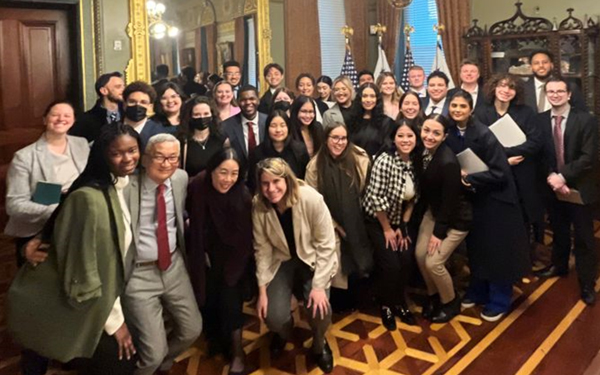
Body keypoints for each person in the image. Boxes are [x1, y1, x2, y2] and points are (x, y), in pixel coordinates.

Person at [8, 123, 142, 375]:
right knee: (120, 363)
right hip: (84, 300)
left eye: (132, 150)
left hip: (98, 297)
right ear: (102, 156)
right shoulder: (89, 198)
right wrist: (115, 323)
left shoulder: (117, 184)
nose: (127, 158)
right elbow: (86, 268)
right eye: (117, 153)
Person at [445, 90, 530, 322]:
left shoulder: (484, 134)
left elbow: (500, 173)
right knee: (478, 248)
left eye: (462, 106)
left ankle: (499, 300)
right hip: (476, 201)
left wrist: (470, 179)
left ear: (470, 109)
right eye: (453, 106)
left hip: (497, 201)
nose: (457, 110)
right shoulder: (450, 131)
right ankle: (478, 290)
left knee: (497, 252)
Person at [121, 133, 202, 375]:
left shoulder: (180, 178)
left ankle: (161, 365)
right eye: (159, 157)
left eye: (173, 158)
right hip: (138, 273)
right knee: (152, 353)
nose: (167, 163)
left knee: (192, 330)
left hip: (173, 266)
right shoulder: (126, 187)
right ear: (145, 159)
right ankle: (151, 366)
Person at [253, 158, 337, 374]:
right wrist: (262, 291)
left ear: (287, 180)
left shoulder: (310, 198)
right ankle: (282, 332)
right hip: (281, 261)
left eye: (276, 181)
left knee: (320, 310)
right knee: (273, 316)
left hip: (311, 259)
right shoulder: (258, 205)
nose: (271, 189)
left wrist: (319, 286)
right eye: (265, 183)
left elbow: (327, 245)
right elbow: (262, 250)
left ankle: (319, 345)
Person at [186, 148, 253, 374]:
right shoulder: (198, 185)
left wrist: (232, 273)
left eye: (234, 174)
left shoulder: (242, 196)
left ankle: (237, 353)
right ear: (211, 169)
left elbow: (245, 241)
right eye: (223, 172)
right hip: (203, 253)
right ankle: (215, 340)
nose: (228, 179)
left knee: (230, 303)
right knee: (208, 298)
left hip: (233, 258)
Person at [535, 77, 598, 306]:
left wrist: (563, 176)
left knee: (583, 238)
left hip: (579, 188)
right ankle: (559, 266)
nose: (555, 95)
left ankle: (587, 283)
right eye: (550, 92)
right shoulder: (541, 120)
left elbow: (589, 157)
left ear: (569, 94)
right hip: (552, 188)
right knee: (559, 231)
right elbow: (540, 154)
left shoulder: (587, 120)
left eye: (559, 91)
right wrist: (553, 177)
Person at [5, 101, 90, 267]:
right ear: (45, 119)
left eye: (67, 115)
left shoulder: (82, 144)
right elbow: (14, 205)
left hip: (77, 226)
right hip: (39, 229)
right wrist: (58, 211)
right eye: (55, 115)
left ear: (73, 121)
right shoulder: (24, 157)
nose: (60, 119)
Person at [305, 122, 373, 311]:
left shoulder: (359, 158)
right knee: (335, 255)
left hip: (357, 218)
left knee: (359, 250)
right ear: (326, 140)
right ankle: (340, 300)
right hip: (328, 221)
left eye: (343, 138)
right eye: (334, 138)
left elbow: (365, 190)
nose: (339, 142)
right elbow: (313, 201)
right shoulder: (315, 165)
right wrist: (335, 225)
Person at [362, 119, 421, 329]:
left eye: (410, 136)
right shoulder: (384, 160)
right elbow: (376, 199)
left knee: (406, 259)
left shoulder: (416, 160)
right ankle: (386, 304)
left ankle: (399, 301)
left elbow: (413, 198)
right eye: (401, 136)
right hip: (377, 220)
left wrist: (402, 227)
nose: (405, 140)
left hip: (399, 220)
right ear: (393, 138)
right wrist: (388, 229)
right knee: (391, 264)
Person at [475, 74, 544, 249]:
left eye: (511, 87)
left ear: (517, 92)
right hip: (494, 173)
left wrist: (506, 153)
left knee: (523, 218)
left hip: (522, 173)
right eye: (502, 86)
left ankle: (525, 257)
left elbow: (535, 142)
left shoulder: (526, 112)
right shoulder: (481, 112)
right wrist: (504, 159)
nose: (506, 91)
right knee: (496, 217)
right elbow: (477, 143)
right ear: (493, 87)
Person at [415, 114, 471, 323]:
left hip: (455, 219)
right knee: (420, 255)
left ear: (445, 136)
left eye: (436, 133)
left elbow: (450, 202)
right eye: (426, 131)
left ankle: (450, 301)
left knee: (434, 263)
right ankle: (433, 295)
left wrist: (438, 234)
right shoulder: (423, 151)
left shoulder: (448, 162)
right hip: (434, 211)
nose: (429, 136)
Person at [247, 109, 309, 192]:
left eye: (282, 125)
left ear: (288, 128)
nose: (278, 130)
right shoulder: (257, 153)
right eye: (273, 125)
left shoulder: (300, 150)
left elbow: (305, 180)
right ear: (267, 128)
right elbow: (253, 183)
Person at [523, 49, 587, 113]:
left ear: (551, 65)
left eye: (545, 62)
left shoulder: (570, 87)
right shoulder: (522, 89)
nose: (541, 66)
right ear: (531, 67)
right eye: (536, 63)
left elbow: (581, 115)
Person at [221, 85, 267, 172]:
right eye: (243, 100)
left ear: (258, 100)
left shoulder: (268, 122)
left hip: (265, 174)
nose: (248, 102)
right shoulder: (226, 126)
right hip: (238, 175)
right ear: (238, 102)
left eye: (252, 99)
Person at [178, 96, 227, 178]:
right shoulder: (182, 141)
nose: (202, 117)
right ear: (190, 116)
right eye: (197, 114)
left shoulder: (221, 139)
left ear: (212, 115)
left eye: (206, 114)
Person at [70, 71, 125, 142]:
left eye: (124, 86)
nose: (123, 90)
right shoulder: (85, 121)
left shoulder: (129, 115)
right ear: (104, 91)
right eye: (118, 87)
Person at [348, 83, 393, 157]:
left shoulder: (386, 122)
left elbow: (387, 148)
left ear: (377, 99)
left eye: (372, 96)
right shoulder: (351, 120)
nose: (368, 100)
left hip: (377, 165)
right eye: (365, 96)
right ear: (359, 99)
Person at [122, 81, 165, 150]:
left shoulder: (159, 134)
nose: (138, 105)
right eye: (132, 101)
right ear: (124, 105)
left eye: (143, 102)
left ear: (150, 107)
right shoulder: (111, 130)